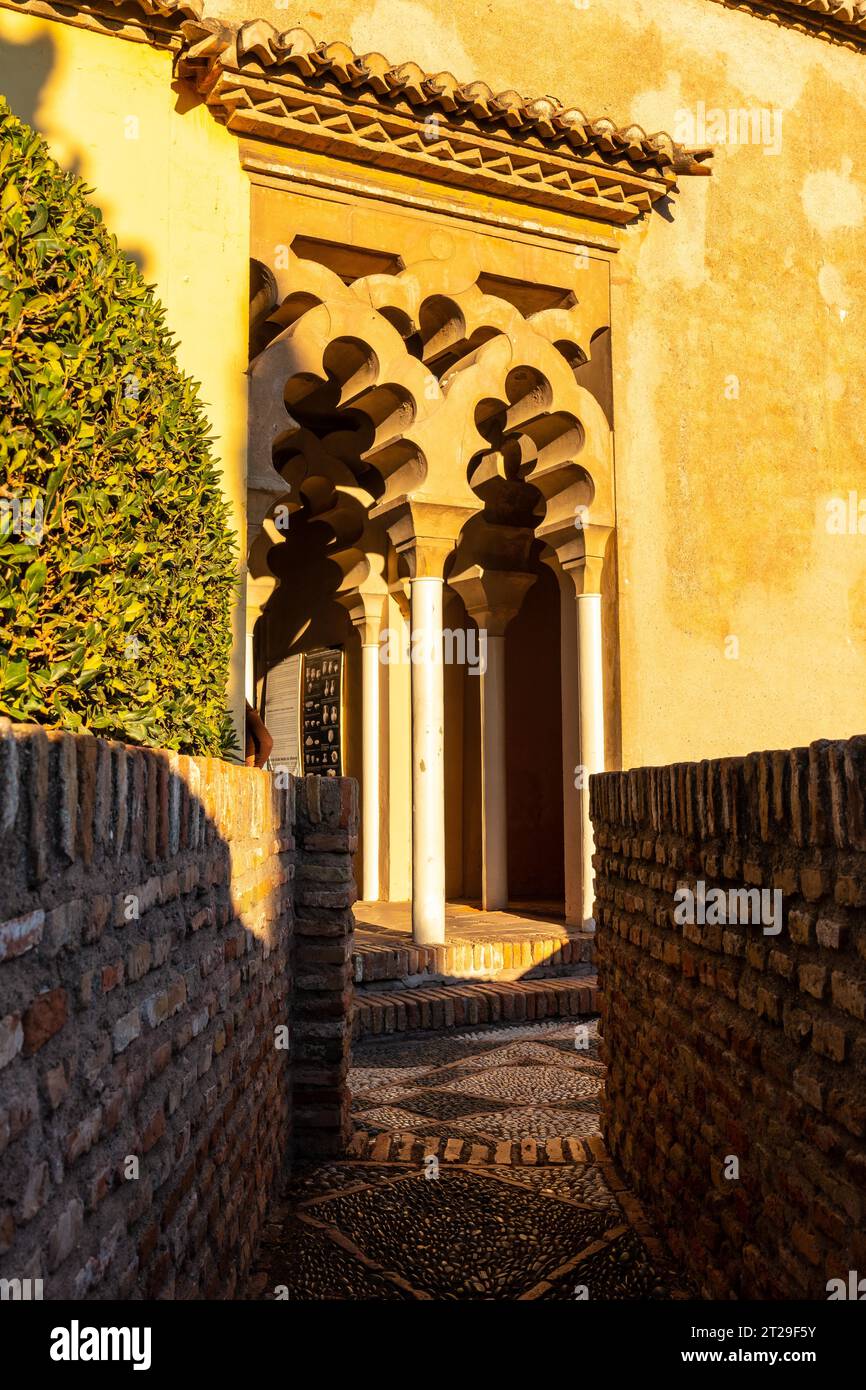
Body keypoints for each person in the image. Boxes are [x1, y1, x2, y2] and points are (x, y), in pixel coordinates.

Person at [244, 700, 273, 769]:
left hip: (248, 762)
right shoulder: (249, 714)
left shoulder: (248, 714)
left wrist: (257, 767)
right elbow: (267, 743)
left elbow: (267, 742)